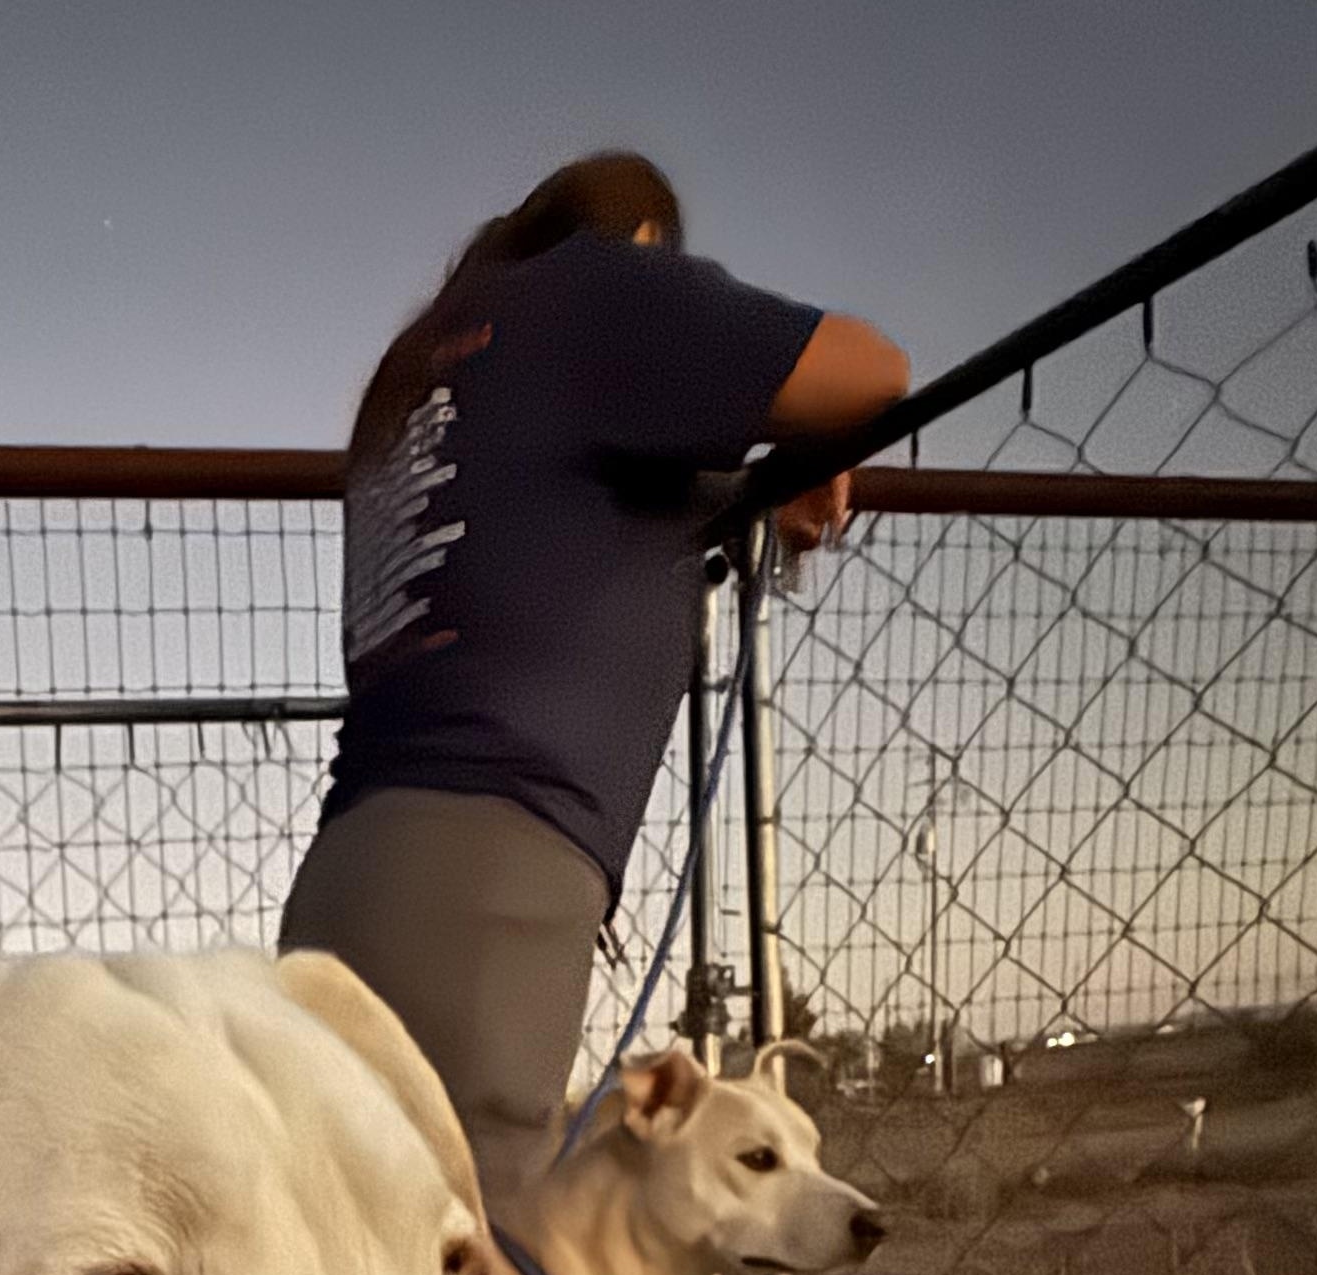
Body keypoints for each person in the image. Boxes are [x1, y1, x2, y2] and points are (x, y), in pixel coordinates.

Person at [278, 153, 909, 1221]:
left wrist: (753, 490)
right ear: (646, 239)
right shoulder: (598, 286)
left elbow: (559, 518)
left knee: (346, 1268)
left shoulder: (428, 364)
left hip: (349, 877)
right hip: (489, 889)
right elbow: (867, 370)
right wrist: (802, 437)